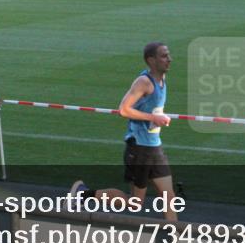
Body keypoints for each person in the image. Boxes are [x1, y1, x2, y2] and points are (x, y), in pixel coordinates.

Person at [70, 41, 178, 221]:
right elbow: (124, 109)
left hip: (154, 146)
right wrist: (154, 118)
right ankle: (82, 195)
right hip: (139, 148)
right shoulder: (144, 82)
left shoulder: (162, 79)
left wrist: (158, 115)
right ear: (151, 61)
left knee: (169, 197)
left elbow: (151, 107)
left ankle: (175, 241)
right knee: (135, 203)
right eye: (164, 56)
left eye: (168, 55)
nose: (170, 59)